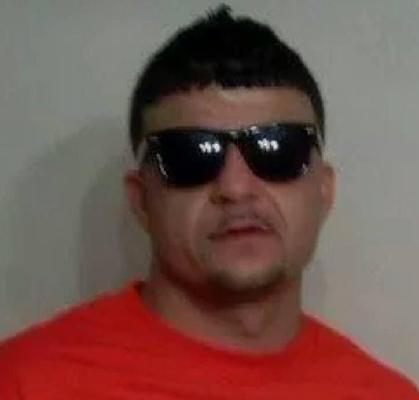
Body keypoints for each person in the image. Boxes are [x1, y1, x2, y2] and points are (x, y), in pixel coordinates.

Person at [0, 5, 417, 399]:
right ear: (141, 200)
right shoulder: (25, 383)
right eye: (190, 155)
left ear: (323, 191)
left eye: (277, 149)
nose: (236, 187)